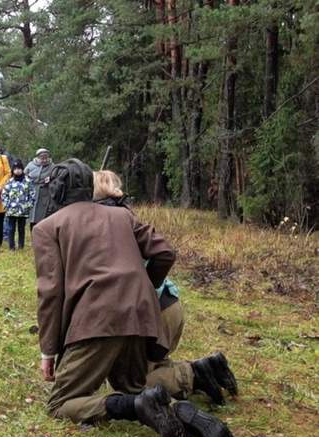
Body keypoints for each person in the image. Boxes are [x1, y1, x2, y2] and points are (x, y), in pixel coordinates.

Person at [33, 158, 233, 437]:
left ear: (55, 191)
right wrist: (144, 287)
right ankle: (178, 404)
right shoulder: (121, 215)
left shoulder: (47, 228)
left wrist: (48, 352)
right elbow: (165, 251)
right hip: (141, 314)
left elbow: (50, 294)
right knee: (136, 385)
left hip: (96, 320)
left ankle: (131, 408)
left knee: (60, 403)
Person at [94, 170, 239, 411]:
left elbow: (164, 254)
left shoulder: (107, 222)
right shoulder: (126, 214)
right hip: (168, 304)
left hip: (154, 313)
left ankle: (193, 375)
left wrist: (146, 289)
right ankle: (207, 368)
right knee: (149, 368)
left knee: (130, 387)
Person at [0, 160, 34, 250]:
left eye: (19, 169)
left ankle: (21, 246)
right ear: (13, 170)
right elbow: (4, 194)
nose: (17, 171)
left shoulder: (27, 181)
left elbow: (32, 194)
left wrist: (29, 205)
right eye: (15, 169)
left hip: (23, 210)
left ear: (22, 169)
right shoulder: (9, 182)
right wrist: (6, 205)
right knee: (11, 229)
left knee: (21, 229)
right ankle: (11, 246)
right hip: (11, 210)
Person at [25, 148, 53, 231]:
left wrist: (50, 178)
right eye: (42, 158)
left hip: (44, 191)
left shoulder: (52, 166)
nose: (44, 160)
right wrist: (28, 180)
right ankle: (32, 230)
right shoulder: (31, 165)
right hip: (32, 190)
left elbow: (55, 176)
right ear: (38, 157)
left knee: (43, 215)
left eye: (46, 158)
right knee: (32, 214)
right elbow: (24, 175)